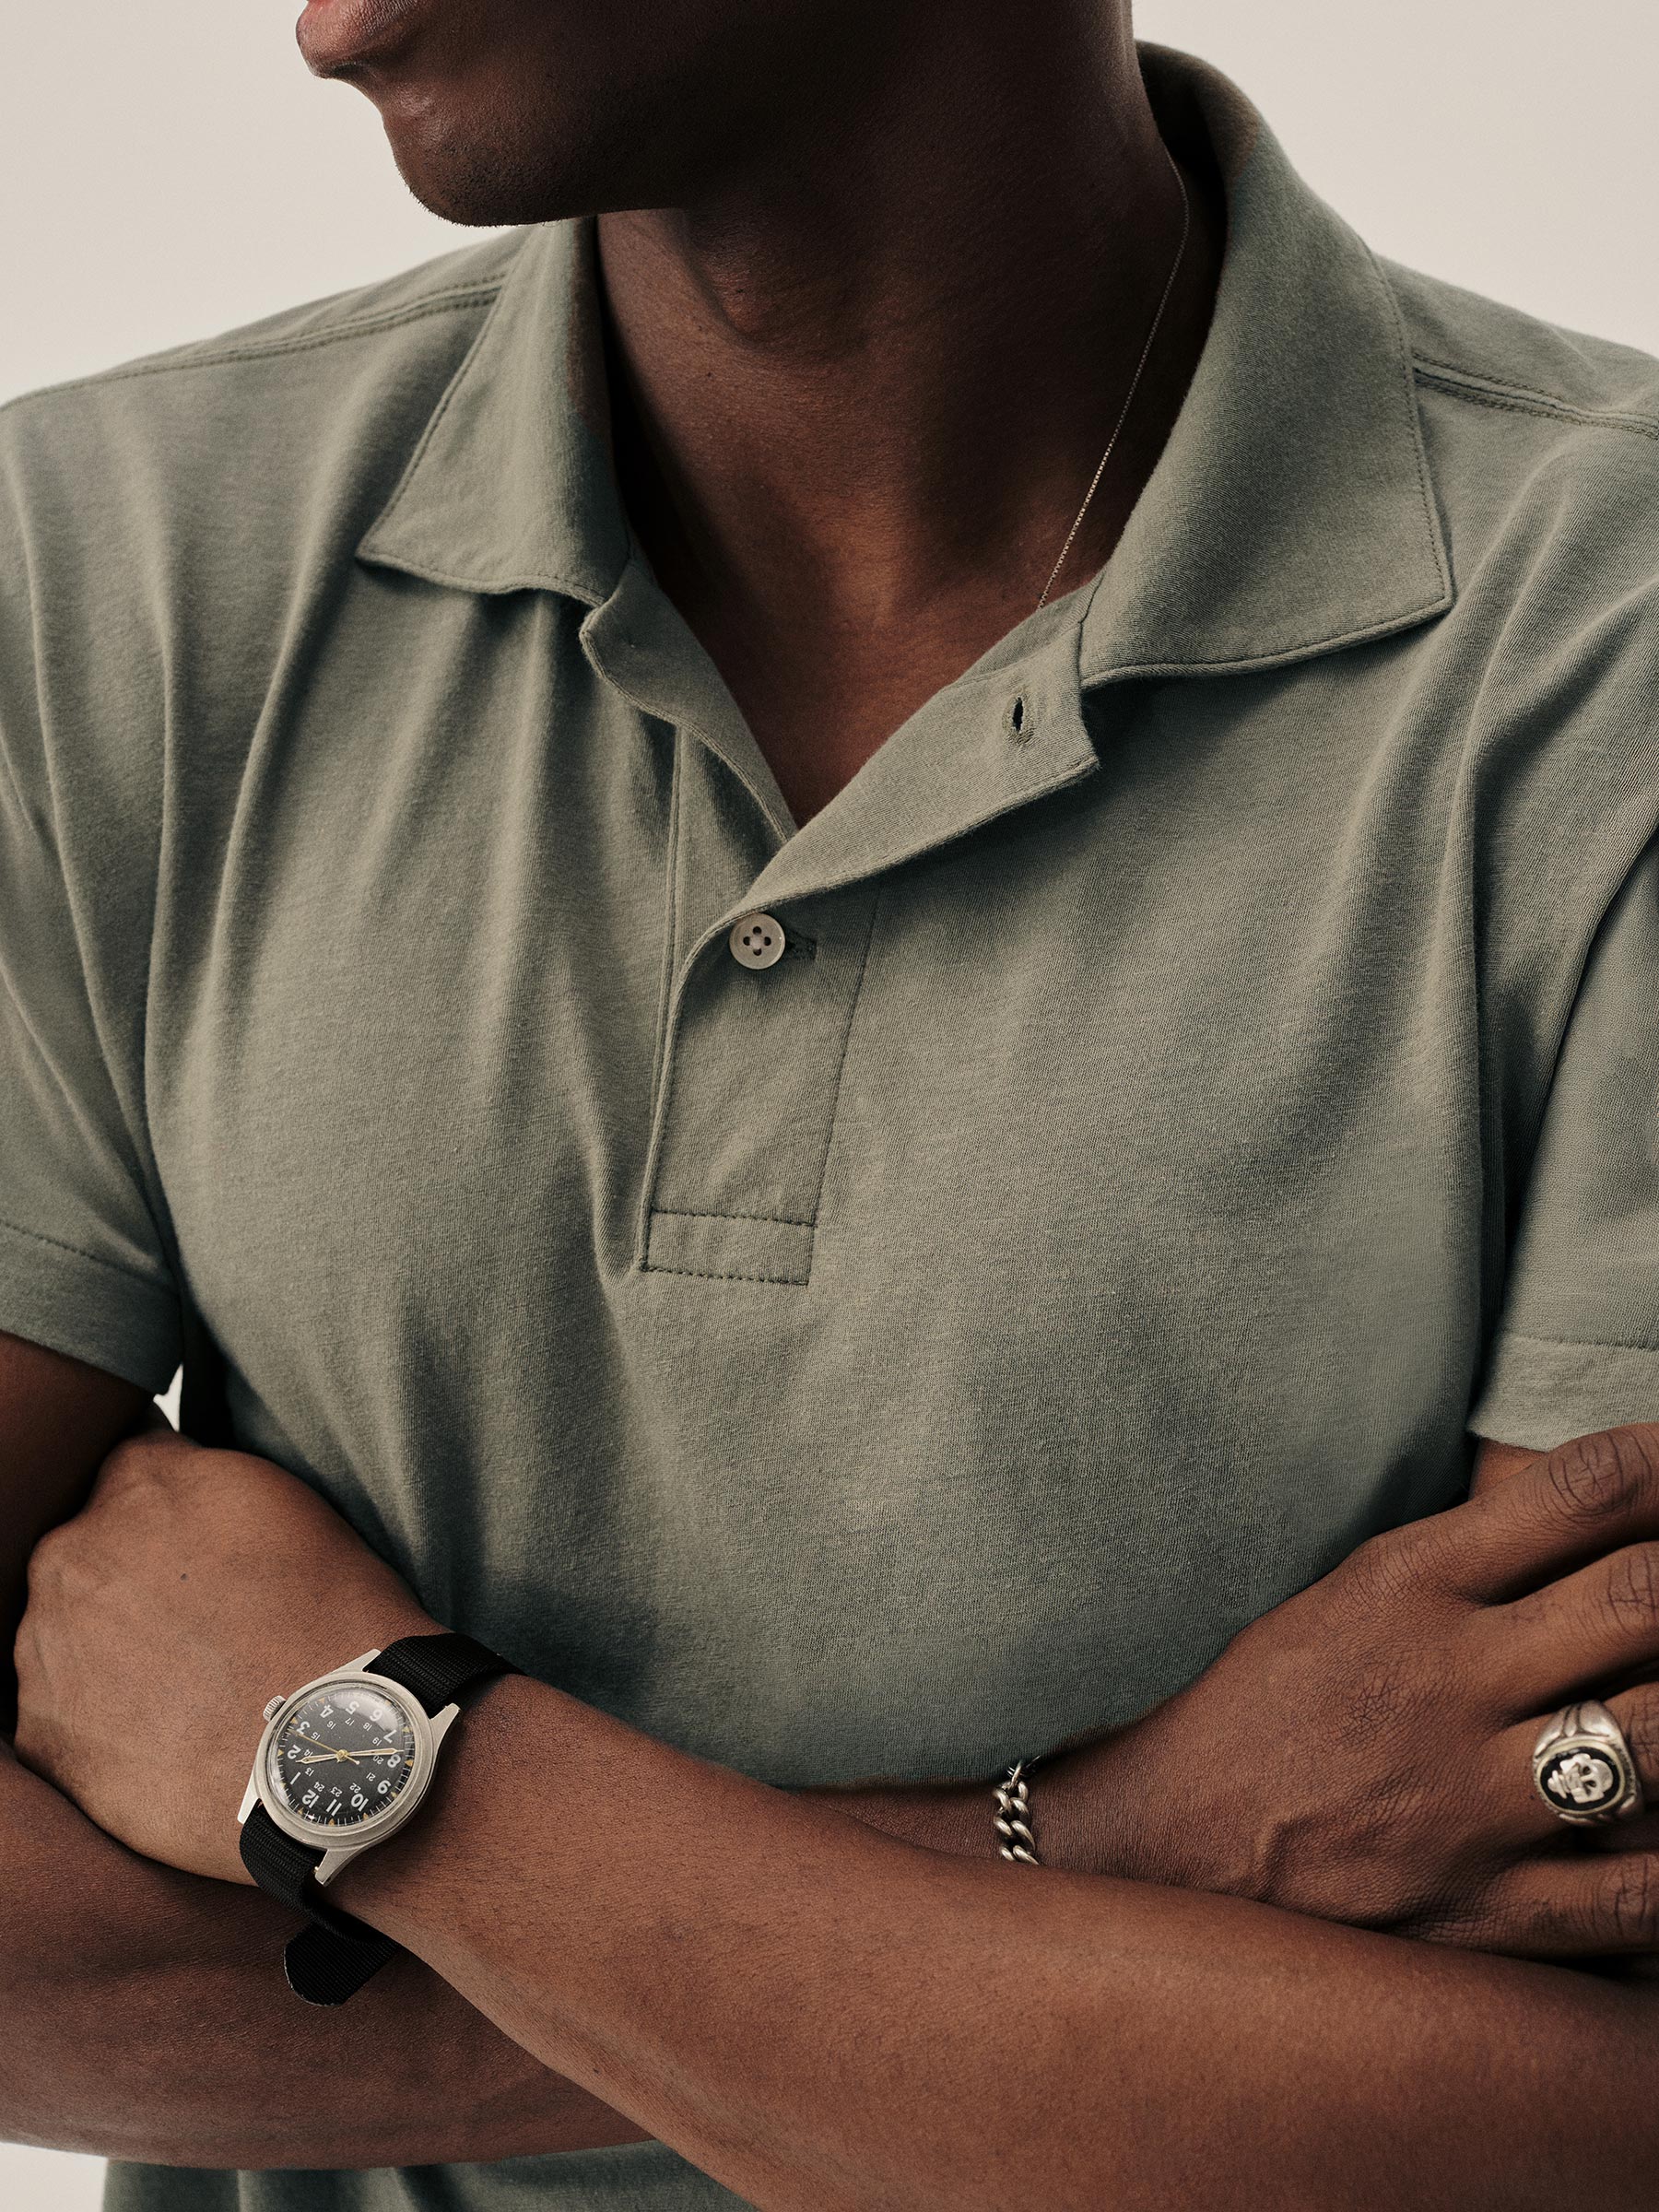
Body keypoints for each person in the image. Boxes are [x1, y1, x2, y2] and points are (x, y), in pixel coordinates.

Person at [4, 1, 1659, 2205]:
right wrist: (1120, 1841)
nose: (331, 23)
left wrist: (402, 1785)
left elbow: (1580, 2117)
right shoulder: (96, 582)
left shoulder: (1611, 653)